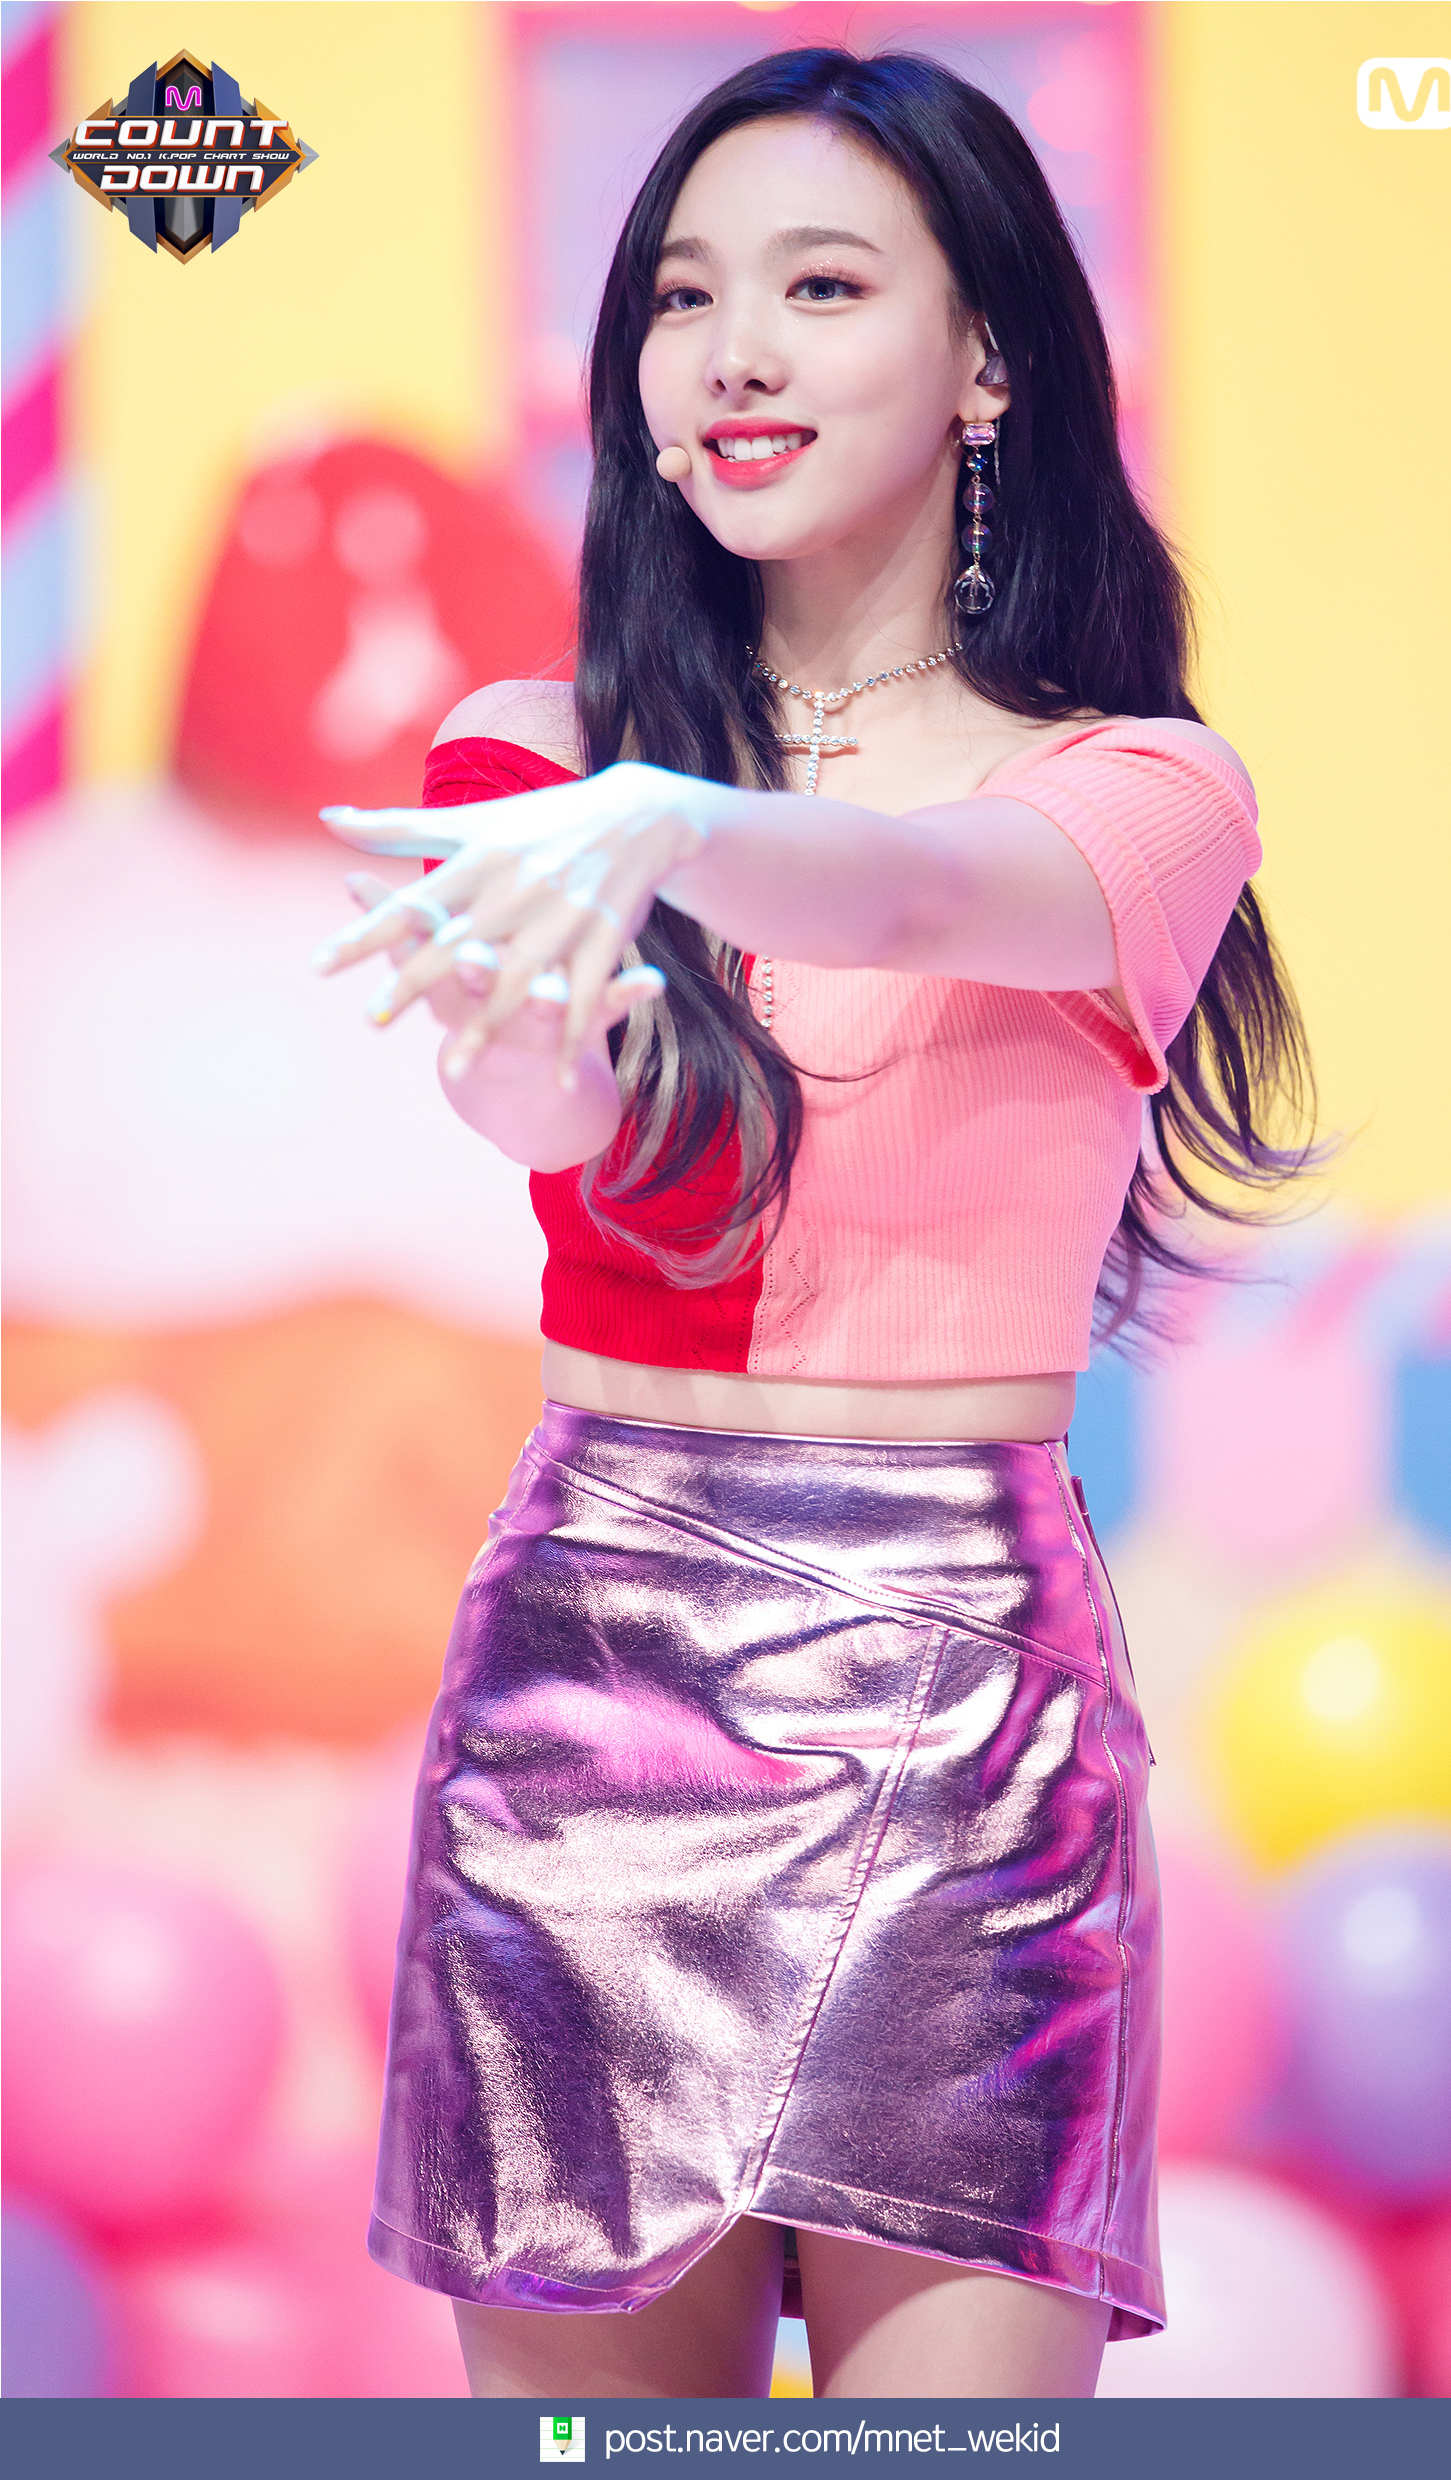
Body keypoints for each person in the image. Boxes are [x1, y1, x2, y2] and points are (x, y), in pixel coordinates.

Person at [311, 48, 1314, 2404]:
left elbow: (925, 891)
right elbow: (541, 1106)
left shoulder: (1141, 789)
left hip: (960, 1691)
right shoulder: (528, 747)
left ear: (988, 363)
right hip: (593, 1670)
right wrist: (534, 1000)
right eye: (682, 295)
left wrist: (666, 827)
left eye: (821, 286)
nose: (731, 351)